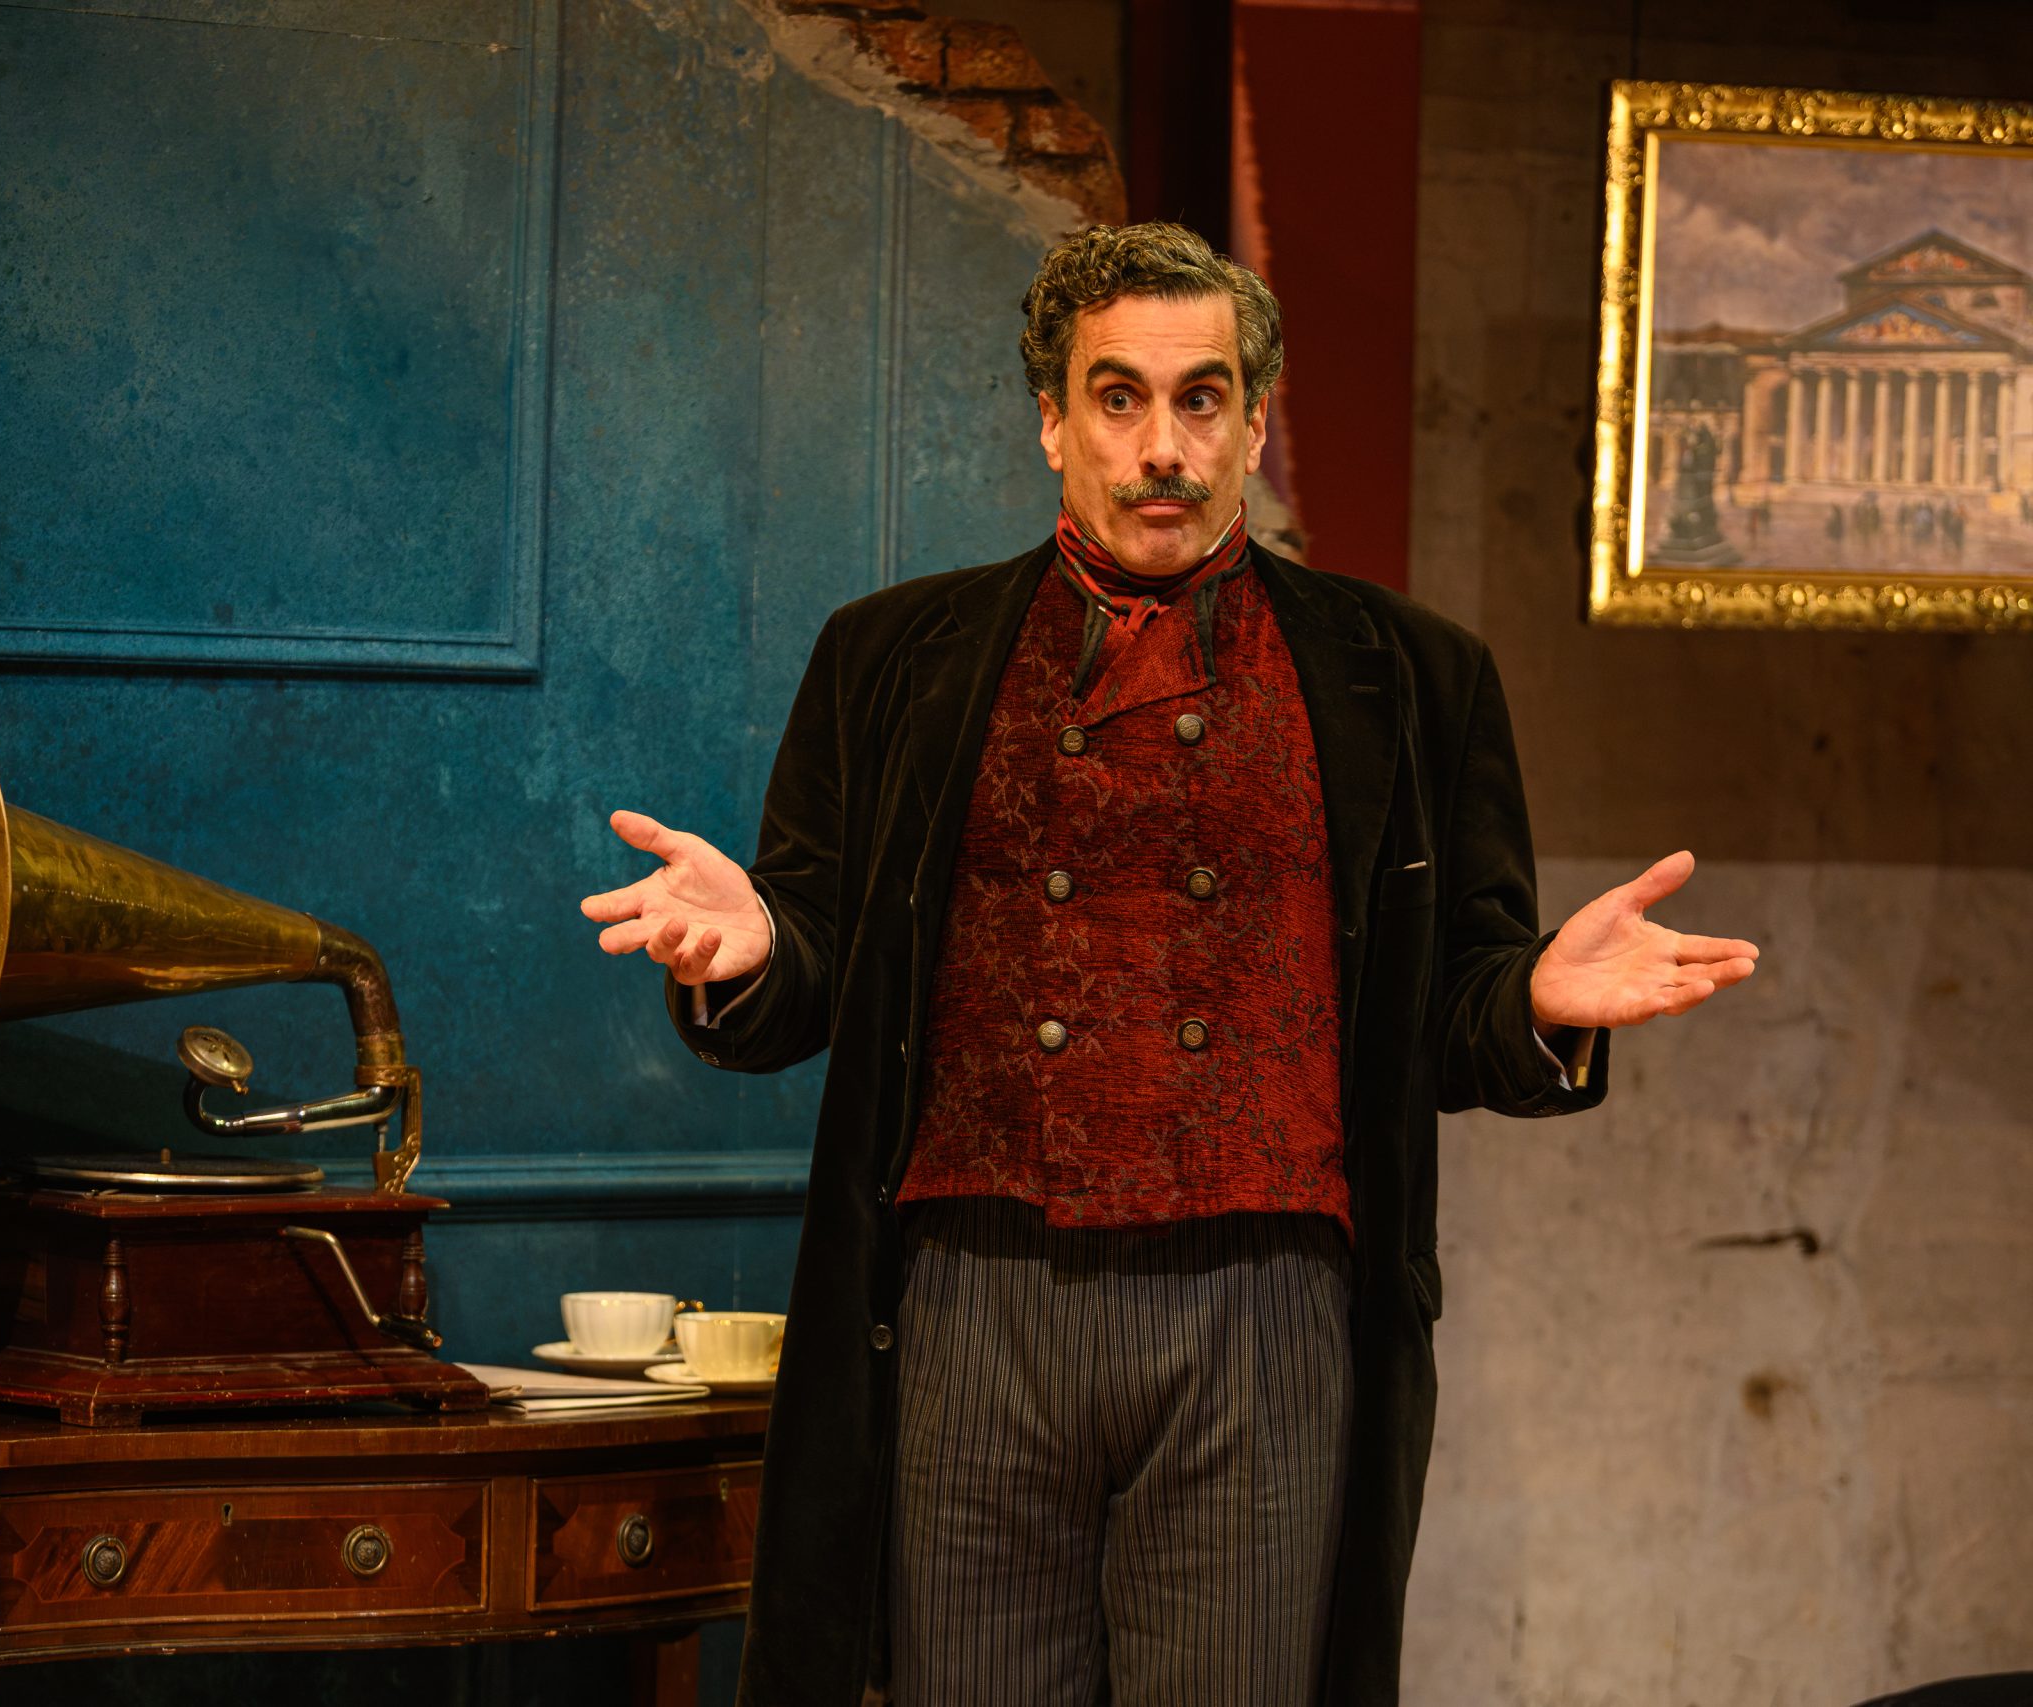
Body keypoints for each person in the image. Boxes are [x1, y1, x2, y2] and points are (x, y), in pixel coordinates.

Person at [579, 223, 1759, 1707]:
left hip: (1264, 1310)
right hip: (975, 1294)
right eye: (1119, 397)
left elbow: (1449, 1019)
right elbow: (808, 985)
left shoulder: (1411, 676)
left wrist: (1532, 1001)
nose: (1163, 447)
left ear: (1254, 424)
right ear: (1052, 421)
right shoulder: (893, 657)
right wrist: (747, 948)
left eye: (1202, 400)